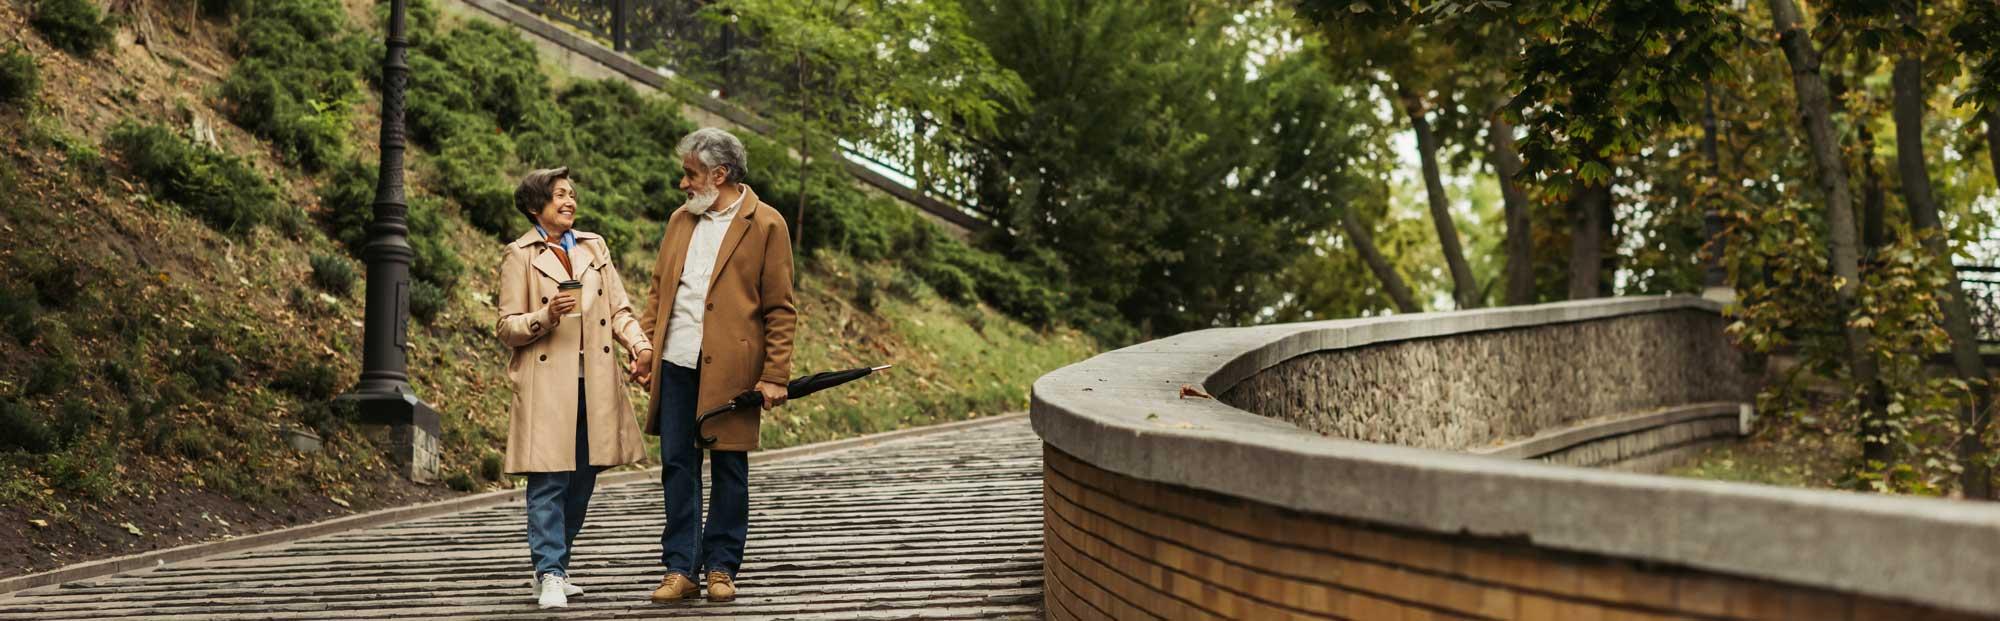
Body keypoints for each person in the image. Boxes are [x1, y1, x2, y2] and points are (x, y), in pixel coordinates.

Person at [633, 128, 796, 604]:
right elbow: (659, 291)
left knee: (729, 466)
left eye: (690, 173)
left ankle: (722, 566)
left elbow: (780, 308)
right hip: (677, 360)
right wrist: (645, 347)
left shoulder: (767, 224)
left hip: (735, 369)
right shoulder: (678, 221)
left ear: (718, 174)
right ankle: (680, 568)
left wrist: (775, 374)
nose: (683, 184)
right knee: (678, 465)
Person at [495, 167, 654, 609]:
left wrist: (640, 346)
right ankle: (547, 572)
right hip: (547, 383)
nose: (569, 201)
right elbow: (507, 327)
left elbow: (619, 309)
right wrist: (546, 316)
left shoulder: (593, 246)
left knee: (583, 479)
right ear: (534, 206)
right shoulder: (519, 255)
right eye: (559, 195)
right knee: (548, 479)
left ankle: (557, 565)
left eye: (571, 194)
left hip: (596, 382)